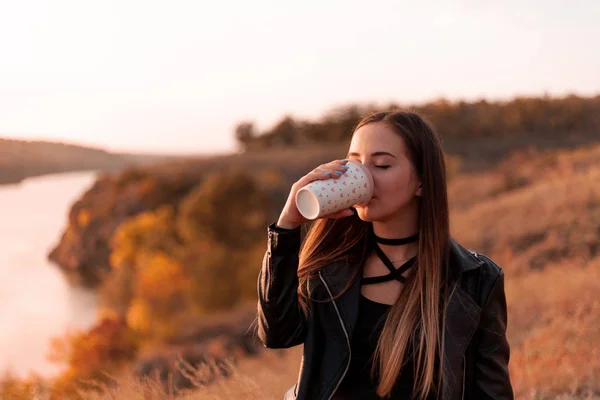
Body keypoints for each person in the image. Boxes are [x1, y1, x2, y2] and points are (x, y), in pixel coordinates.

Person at [256, 111, 514, 400]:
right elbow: (277, 334)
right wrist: (286, 227)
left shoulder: (475, 280)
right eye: (354, 163)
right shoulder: (330, 268)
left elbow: (493, 393)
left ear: (422, 182)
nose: (364, 175)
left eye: (381, 165)